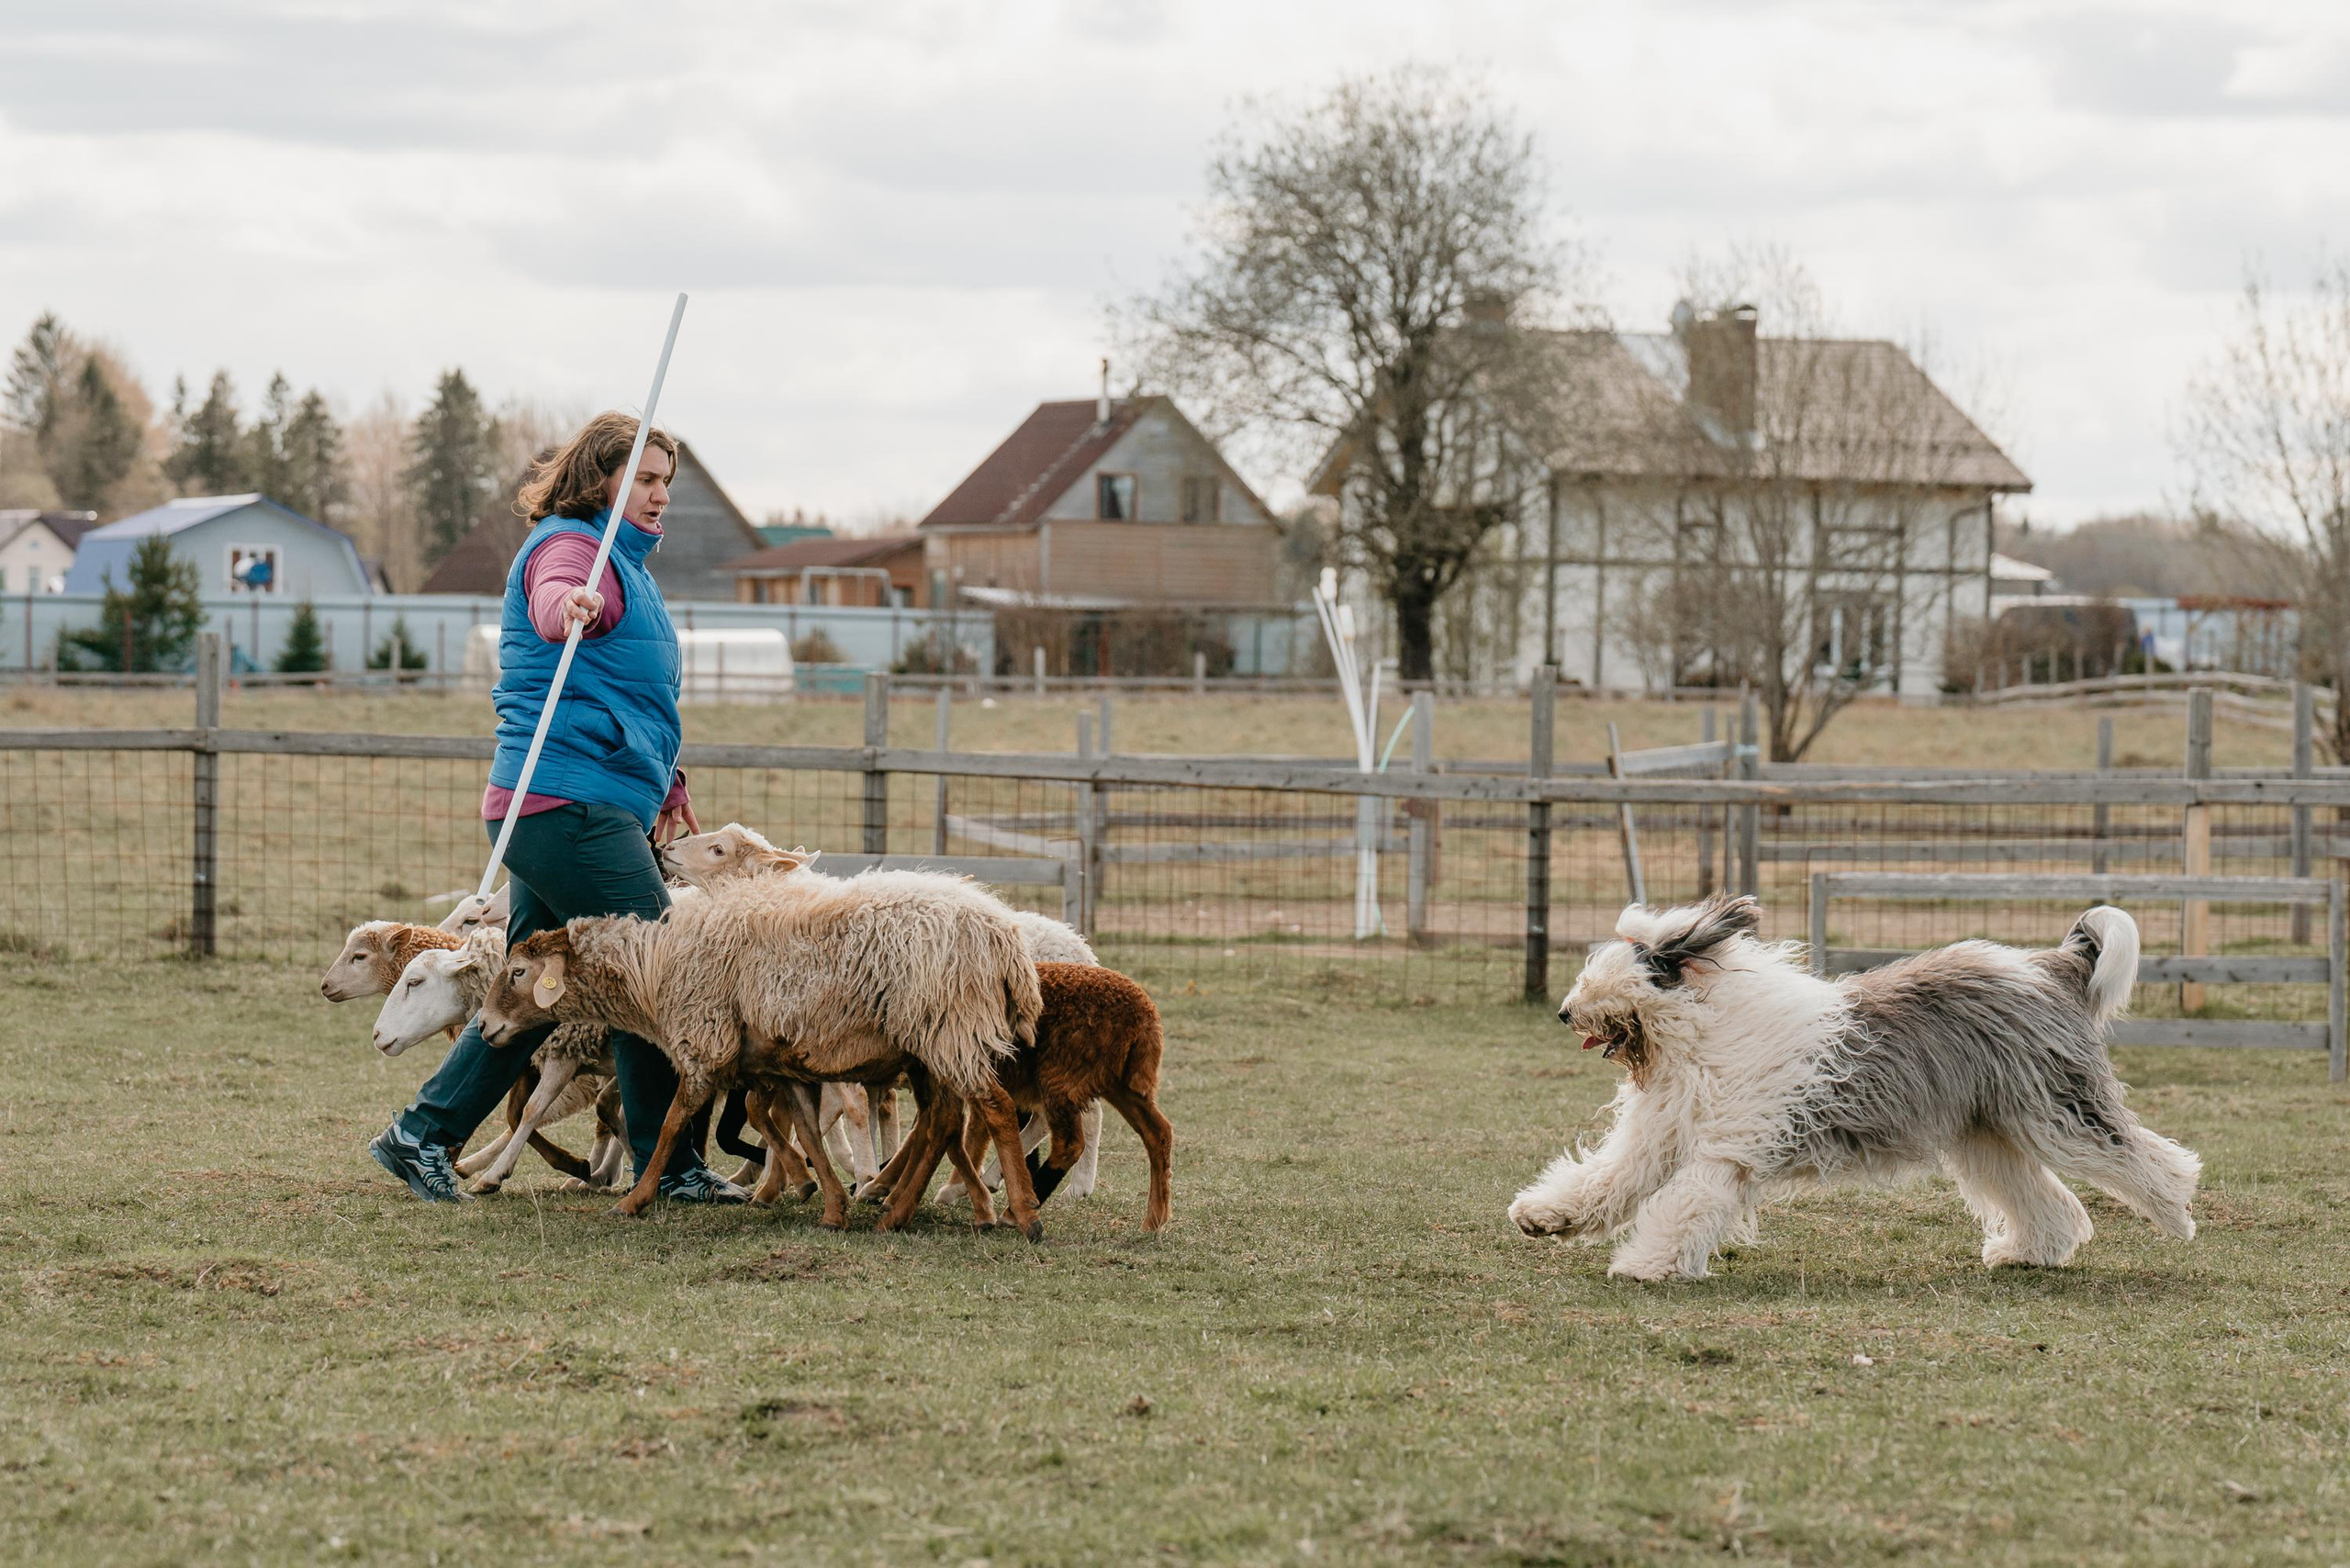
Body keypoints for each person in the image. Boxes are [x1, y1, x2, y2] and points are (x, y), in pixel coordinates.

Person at [369, 411, 744, 1204]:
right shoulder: (573, 549)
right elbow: (563, 598)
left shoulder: (631, 568)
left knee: (536, 990)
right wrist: (568, 607)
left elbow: (632, 690)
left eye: (666, 483)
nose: (659, 496)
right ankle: (666, 1166)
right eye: (643, 479)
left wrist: (666, 782)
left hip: (576, 802)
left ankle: (421, 1134)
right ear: (598, 479)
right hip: (569, 806)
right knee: (655, 974)